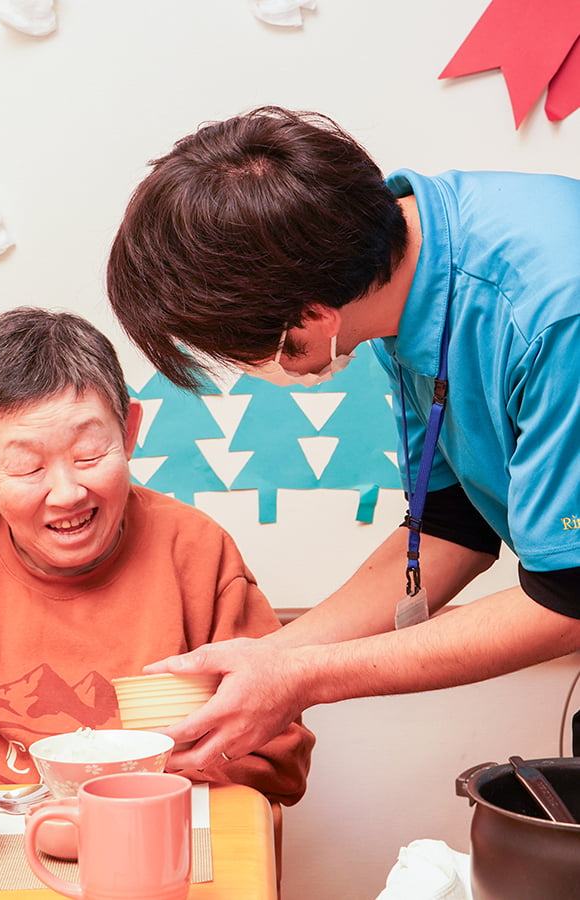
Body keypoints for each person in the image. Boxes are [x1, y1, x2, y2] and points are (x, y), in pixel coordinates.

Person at [105, 105, 580, 769]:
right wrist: (274, 655)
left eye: (237, 350)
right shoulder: (398, 283)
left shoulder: (554, 314)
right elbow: (453, 524)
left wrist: (305, 679)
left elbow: (567, 601)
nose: (243, 368)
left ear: (313, 318)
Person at [0, 306, 314, 876]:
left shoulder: (196, 554)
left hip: (143, 859)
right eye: (26, 466)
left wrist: (138, 803)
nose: (66, 492)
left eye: (90, 455)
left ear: (131, 432)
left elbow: (276, 748)